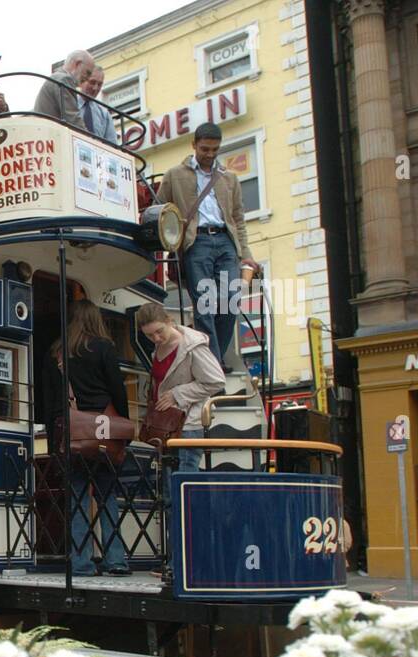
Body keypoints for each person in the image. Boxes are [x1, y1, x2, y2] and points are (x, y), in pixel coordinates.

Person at [155, 122, 260, 371]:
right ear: (194, 145)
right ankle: (214, 363)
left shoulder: (229, 178)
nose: (210, 154)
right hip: (196, 242)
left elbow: (238, 218)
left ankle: (212, 358)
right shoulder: (174, 175)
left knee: (231, 300)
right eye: (205, 149)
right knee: (204, 304)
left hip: (226, 241)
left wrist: (246, 255)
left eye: (215, 149)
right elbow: (159, 210)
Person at [42, 300, 129, 577]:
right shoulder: (104, 347)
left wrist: (52, 432)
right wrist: (121, 425)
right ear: (95, 319)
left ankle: (81, 563)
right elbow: (118, 389)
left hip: (70, 429)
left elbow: (48, 398)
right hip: (102, 429)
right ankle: (115, 559)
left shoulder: (56, 352)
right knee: (107, 495)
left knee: (77, 497)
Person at [136, 302, 225, 473]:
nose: (155, 338)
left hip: (188, 423)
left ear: (169, 321)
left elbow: (216, 381)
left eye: (159, 331)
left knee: (184, 478)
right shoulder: (160, 345)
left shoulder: (192, 345)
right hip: (168, 423)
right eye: (149, 335)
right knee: (172, 482)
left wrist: (177, 394)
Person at [34, 50, 95, 129]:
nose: (87, 79)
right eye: (87, 73)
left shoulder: (56, 77)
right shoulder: (64, 79)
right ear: (78, 64)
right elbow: (73, 119)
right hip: (52, 134)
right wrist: (90, 140)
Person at [79, 66, 117, 144]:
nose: (95, 88)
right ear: (81, 81)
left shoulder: (104, 114)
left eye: (99, 84)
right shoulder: (69, 104)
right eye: (92, 82)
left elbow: (112, 146)